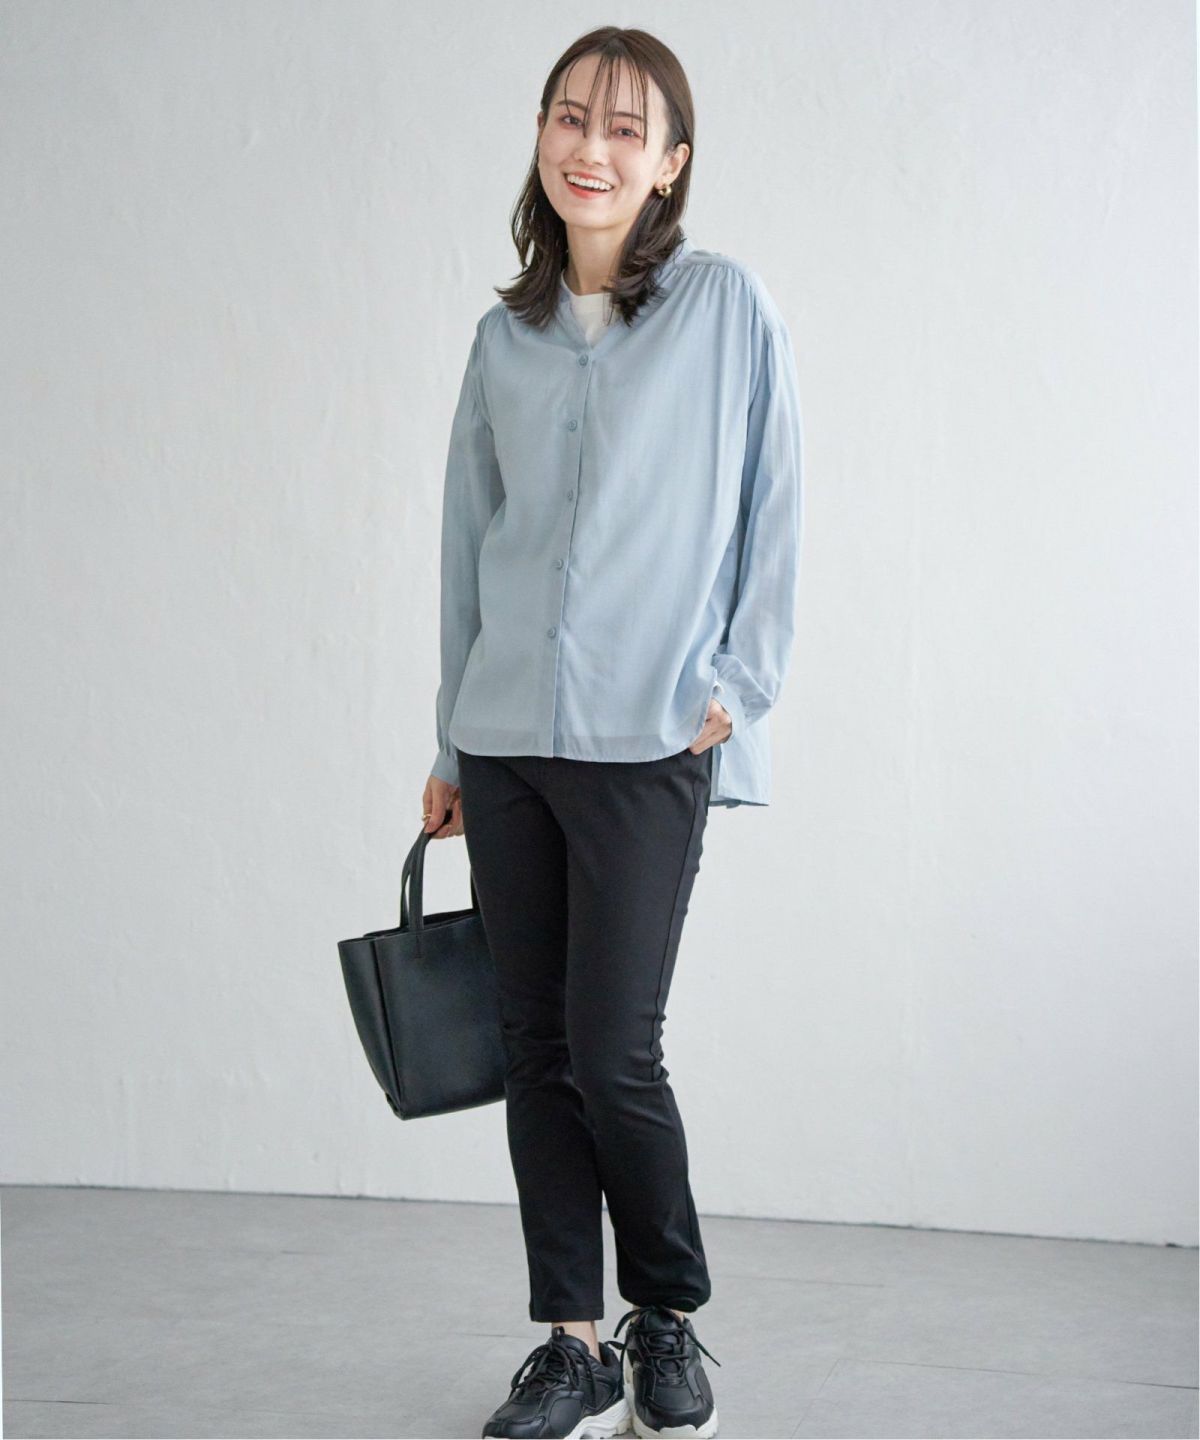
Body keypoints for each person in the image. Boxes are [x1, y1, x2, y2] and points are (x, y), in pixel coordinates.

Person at [421, 25, 804, 1440]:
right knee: (535, 1048)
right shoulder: (503, 340)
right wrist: (452, 746)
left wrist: (740, 683)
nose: (592, 148)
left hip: (653, 738)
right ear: (542, 136)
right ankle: (572, 1345)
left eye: (626, 130)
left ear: (669, 165)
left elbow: (775, 501)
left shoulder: (723, 308)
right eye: (570, 118)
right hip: (510, 740)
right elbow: (468, 547)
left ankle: (668, 1315)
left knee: (613, 1047)